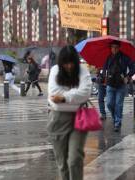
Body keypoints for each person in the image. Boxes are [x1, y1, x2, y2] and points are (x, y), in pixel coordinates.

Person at [47, 45, 92, 180]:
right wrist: (73, 97)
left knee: (74, 159)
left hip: (80, 118)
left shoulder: (83, 71)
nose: (69, 66)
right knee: (62, 163)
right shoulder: (55, 70)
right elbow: (54, 96)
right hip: (58, 119)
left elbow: (85, 93)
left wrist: (64, 97)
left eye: (72, 62)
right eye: (66, 63)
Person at [103, 40, 135, 132]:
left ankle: (117, 122)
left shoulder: (124, 57)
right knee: (109, 104)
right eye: (112, 47)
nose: (114, 49)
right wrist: (103, 77)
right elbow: (104, 69)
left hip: (121, 85)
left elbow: (133, 68)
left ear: (119, 48)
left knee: (118, 104)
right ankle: (115, 117)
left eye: (116, 47)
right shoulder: (108, 58)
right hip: (110, 84)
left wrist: (128, 77)